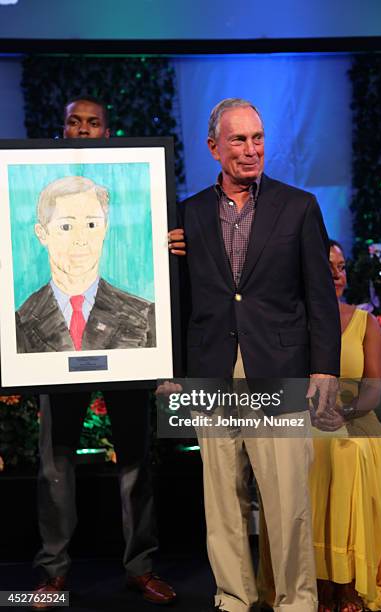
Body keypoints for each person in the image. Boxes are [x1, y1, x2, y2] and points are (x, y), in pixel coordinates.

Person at [169, 98, 341, 612]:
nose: (251, 150)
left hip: (280, 371)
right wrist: (172, 371)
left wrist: (324, 368)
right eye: (239, 140)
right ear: (214, 147)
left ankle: (296, 601)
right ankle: (234, 598)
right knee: (222, 500)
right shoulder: (188, 214)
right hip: (212, 373)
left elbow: (319, 298)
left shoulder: (299, 206)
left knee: (288, 502)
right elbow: (180, 298)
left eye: (258, 138)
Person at [31, 97, 176, 608]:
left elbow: (154, 237)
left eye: (94, 123)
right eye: (75, 121)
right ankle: (53, 573)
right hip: (53, 350)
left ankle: (142, 566)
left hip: (130, 349)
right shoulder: (27, 319)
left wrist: (171, 241)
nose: (84, 129)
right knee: (55, 459)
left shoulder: (136, 184)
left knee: (136, 457)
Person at [257, 240, 381, 612]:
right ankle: (316, 582)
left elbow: (373, 389)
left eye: (341, 267)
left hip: (353, 417)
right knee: (309, 449)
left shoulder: (364, 322)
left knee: (347, 452)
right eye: (328, 267)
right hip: (301, 417)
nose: (337, 275)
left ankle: (348, 583)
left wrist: (346, 412)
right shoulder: (288, 323)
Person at [16, 175, 155, 352]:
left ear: (105, 228)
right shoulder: (19, 322)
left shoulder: (145, 316)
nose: (81, 239)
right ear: (42, 233)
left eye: (91, 225)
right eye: (66, 227)